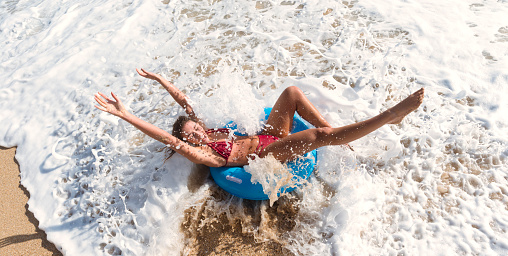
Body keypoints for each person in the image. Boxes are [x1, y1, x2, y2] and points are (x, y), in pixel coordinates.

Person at [94, 69, 424, 167]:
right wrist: (126, 115)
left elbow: (186, 102)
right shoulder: (208, 156)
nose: (196, 135)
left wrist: (162, 81)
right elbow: (167, 138)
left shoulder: (209, 129)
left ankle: (329, 128)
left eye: (195, 129)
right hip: (265, 155)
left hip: (270, 134)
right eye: (190, 136)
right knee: (314, 139)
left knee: (292, 93)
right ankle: (388, 116)